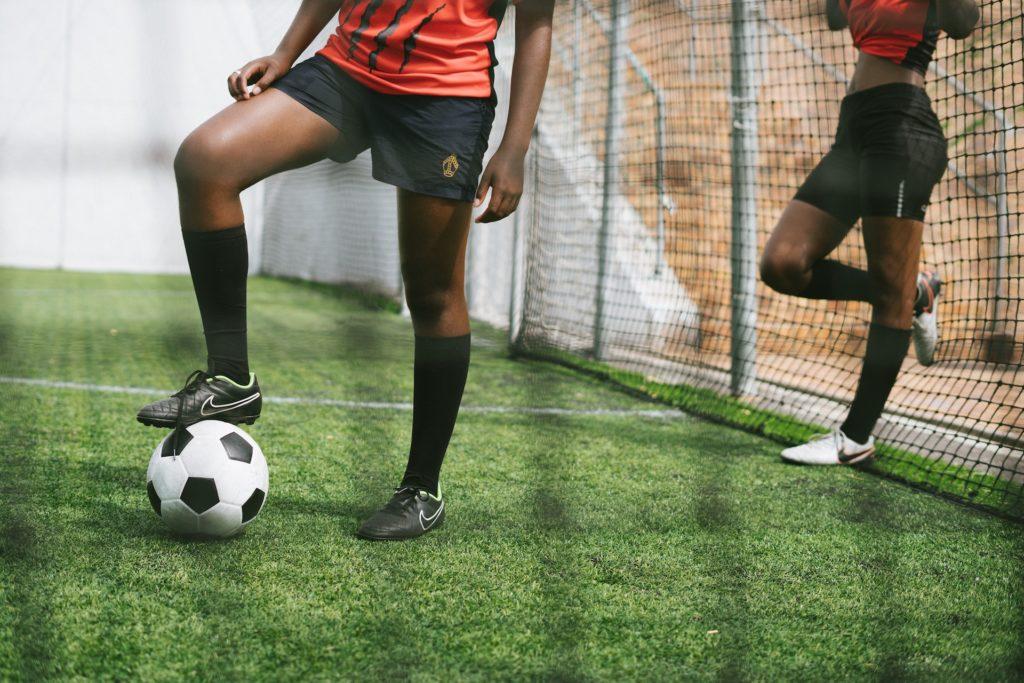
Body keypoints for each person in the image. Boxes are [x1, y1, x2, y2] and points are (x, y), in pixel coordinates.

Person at [135, 0, 554, 539]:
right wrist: (287, 53)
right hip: (346, 72)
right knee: (205, 161)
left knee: (432, 294)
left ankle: (421, 489)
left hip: (444, 100)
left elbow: (539, 23)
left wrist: (514, 148)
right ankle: (230, 378)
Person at [760, 0, 979, 465]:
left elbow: (965, 22)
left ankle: (855, 438)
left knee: (888, 288)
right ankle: (913, 293)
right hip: (852, 130)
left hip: (900, 127)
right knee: (783, 264)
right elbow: (836, 16)